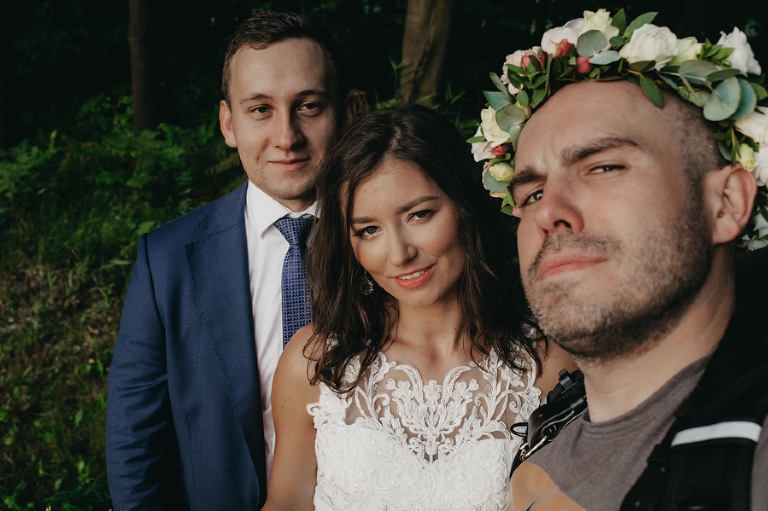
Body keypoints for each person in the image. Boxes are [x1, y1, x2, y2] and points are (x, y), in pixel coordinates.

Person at [468, 8, 768, 510]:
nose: (550, 213)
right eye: (532, 194)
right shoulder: (543, 448)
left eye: (603, 167)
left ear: (726, 204)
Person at [263, 104, 574, 510]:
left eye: (419, 215)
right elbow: (285, 504)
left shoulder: (549, 363)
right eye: (369, 230)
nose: (399, 254)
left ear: (465, 205)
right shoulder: (315, 362)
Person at [106, 12, 354, 510]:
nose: (286, 136)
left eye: (308, 106)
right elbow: (136, 446)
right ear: (228, 123)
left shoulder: (399, 244)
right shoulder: (167, 260)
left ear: (346, 115)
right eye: (260, 109)